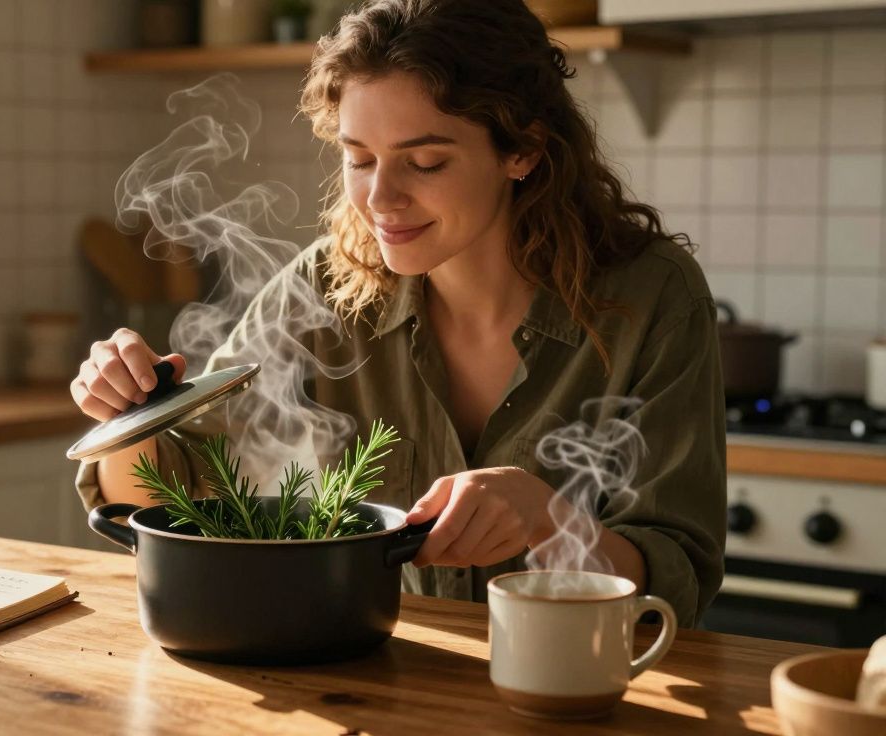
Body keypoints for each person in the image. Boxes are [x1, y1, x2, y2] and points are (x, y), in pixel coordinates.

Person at [70, 0, 725, 627]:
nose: (380, 197)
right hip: (377, 682)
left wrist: (548, 518)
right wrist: (132, 419)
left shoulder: (652, 298)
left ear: (522, 149)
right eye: (358, 158)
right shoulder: (323, 290)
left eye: (425, 161)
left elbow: (678, 578)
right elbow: (161, 502)